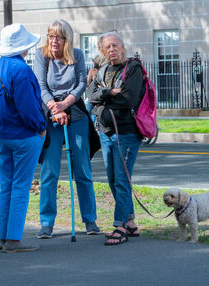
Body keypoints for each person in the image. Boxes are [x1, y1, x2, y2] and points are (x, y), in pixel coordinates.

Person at [0, 23, 46, 252]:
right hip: (24, 136)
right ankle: (13, 240)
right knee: (21, 186)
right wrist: (41, 127)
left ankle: (3, 237)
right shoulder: (22, 71)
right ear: (24, 47)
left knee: (7, 186)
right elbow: (29, 107)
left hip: (2, 134)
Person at [33, 19, 100, 238]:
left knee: (82, 169)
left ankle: (90, 220)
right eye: (51, 36)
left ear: (67, 40)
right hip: (51, 115)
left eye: (58, 37)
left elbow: (82, 83)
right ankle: (46, 223)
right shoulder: (41, 55)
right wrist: (55, 108)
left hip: (76, 113)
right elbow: (40, 85)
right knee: (49, 171)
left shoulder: (78, 55)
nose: (53, 41)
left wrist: (65, 104)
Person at [87, 31, 145, 245]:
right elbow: (90, 96)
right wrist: (109, 93)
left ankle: (119, 226)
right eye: (107, 47)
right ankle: (130, 221)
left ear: (123, 46)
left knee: (121, 179)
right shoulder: (101, 71)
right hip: (106, 133)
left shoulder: (133, 68)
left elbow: (128, 98)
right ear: (102, 50)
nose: (112, 50)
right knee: (113, 179)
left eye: (115, 45)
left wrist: (104, 99)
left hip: (127, 133)